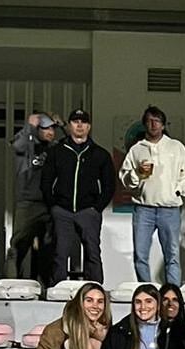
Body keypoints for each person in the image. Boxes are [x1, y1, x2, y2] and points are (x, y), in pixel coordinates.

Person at [119, 106, 185, 285]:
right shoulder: (137, 149)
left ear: (163, 125)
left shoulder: (176, 147)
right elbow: (125, 178)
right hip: (143, 209)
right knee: (140, 255)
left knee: (172, 255)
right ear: (144, 124)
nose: (153, 125)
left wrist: (177, 191)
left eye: (157, 121)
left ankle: (173, 293)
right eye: (149, 121)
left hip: (169, 209)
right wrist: (137, 173)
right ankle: (146, 292)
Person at [41, 108, 115, 283]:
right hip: (62, 211)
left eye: (83, 122)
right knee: (60, 253)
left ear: (89, 127)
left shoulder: (100, 154)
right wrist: (53, 206)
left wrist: (96, 208)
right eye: (75, 122)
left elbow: (110, 185)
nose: (79, 125)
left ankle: (95, 290)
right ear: (69, 126)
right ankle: (57, 290)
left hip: (88, 211)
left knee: (92, 253)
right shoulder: (57, 152)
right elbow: (46, 181)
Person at [8, 113, 60, 283]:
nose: (50, 132)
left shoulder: (55, 148)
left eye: (52, 128)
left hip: (49, 203)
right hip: (28, 202)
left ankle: (46, 284)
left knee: (48, 247)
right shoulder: (27, 145)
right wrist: (29, 126)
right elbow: (17, 145)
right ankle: (12, 283)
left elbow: (71, 145)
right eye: (45, 128)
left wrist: (64, 126)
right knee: (19, 244)